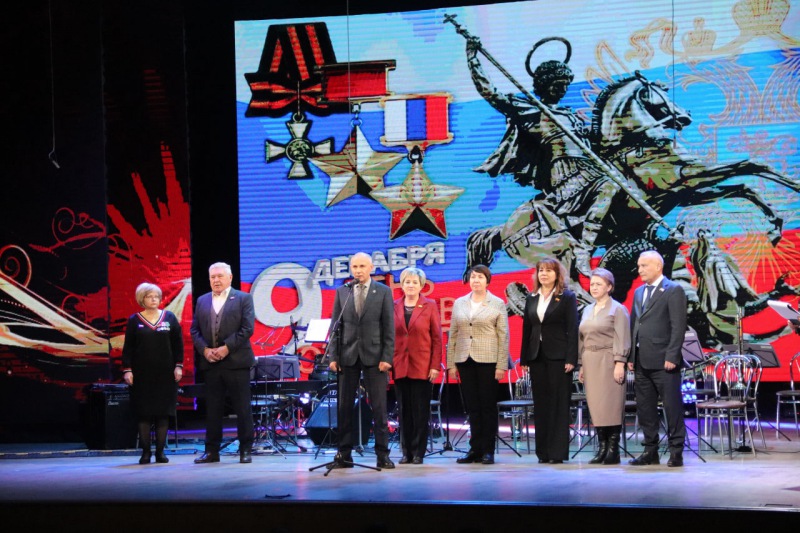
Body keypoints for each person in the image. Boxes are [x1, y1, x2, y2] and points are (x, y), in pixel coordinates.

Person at [466, 36, 619, 276]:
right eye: (558, 84)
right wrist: (473, 58)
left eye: (565, 85)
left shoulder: (570, 114)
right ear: (544, 85)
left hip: (589, 167)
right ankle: (584, 249)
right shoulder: (532, 111)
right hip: (566, 173)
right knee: (609, 186)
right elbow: (491, 94)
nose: (563, 89)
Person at [328, 252, 395, 469]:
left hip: (375, 357)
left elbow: (389, 327)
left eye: (362, 266)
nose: (358, 270)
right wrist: (333, 356)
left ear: (371, 268)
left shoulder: (383, 291)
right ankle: (344, 455)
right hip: (347, 356)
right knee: (344, 408)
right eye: (355, 266)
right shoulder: (343, 292)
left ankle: (382, 455)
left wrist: (387, 357)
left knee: (379, 408)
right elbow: (336, 326)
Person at [190, 262, 256, 464]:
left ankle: (245, 450)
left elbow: (247, 328)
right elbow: (194, 330)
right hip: (211, 364)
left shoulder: (243, 298)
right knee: (213, 409)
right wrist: (205, 350)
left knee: (242, 408)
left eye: (220, 276)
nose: (216, 280)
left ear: (230, 277)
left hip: (237, 362)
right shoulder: (202, 300)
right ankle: (212, 451)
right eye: (212, 277)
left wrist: (226, 347)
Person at [628, 250, 688, 467]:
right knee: (645, 408)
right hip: (641, 360)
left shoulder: (673, 290)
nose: (640, 270)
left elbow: (678, 326)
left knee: (672, 408)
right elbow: (635, 324)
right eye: (639, 266)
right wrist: (631, 355)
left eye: (644, 265)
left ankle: (676, 451)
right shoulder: (639, 292)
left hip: (664, 361)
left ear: (658, 266)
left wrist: (672, 355)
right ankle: (650, 451)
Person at [447, 264, 509, 465]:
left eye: (480, 277)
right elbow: (453, 334)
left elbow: (503, 336)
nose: (476, 280)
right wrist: (451, 363)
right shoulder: (460, 303)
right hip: (464, 360)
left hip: (488, 360)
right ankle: (474, 449)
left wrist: (501, 365)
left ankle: (488, 450)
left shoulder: (497, 303)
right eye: (473, 277)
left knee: (487, 407)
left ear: (487, 281)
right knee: (472, 407)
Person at [519, 258, 578, 464]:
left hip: (559, 357)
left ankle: (557, 452)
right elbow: (527, 328)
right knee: (541, 404)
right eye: (541, 270)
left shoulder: (567, 297)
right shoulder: (531, 297)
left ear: (557, 274)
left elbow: (573, 329)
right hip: (537, 357)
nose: (544, 274)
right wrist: (524, 357)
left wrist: (571, 358)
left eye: (548, 270)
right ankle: (543, 452)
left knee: (558, 404)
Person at [122, 283, 184, 465]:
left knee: (163, 413)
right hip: (142, 375)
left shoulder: (169, 318)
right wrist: (127, 369)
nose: (154, 299)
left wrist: (178, 366)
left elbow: (178, 344)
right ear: (142, 299)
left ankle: (160, 452)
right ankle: (146, 453)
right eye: (150, 296)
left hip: (166, 374)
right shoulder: (134, 320)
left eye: (156, 296)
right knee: (144, 414)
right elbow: (128, 348)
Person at [578, 268, 631, 465]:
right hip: (590, 361)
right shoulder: (587, 309)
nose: (594, 287)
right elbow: (582, 338)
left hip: (609, 360)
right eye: (592, 284)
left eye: (598, 284)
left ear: (609, 287)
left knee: (611, 405)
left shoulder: (617, 309)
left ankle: (613, 449)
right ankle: (602, 448)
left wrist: (620, 363)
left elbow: (622, 337)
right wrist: (581, 365)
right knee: (596, 406)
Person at [392, 267, 442, 465]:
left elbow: (437, 338)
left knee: (420, 411)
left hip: (422, 366)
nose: (411, 285)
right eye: (407, 282)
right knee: (404, 411)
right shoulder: (394, 306)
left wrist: (435, 365)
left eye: (415, 282)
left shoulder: (430, 305)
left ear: (422, 286)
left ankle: (418, 452)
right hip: (400, 365)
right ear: (402, 285)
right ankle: (406, 452)